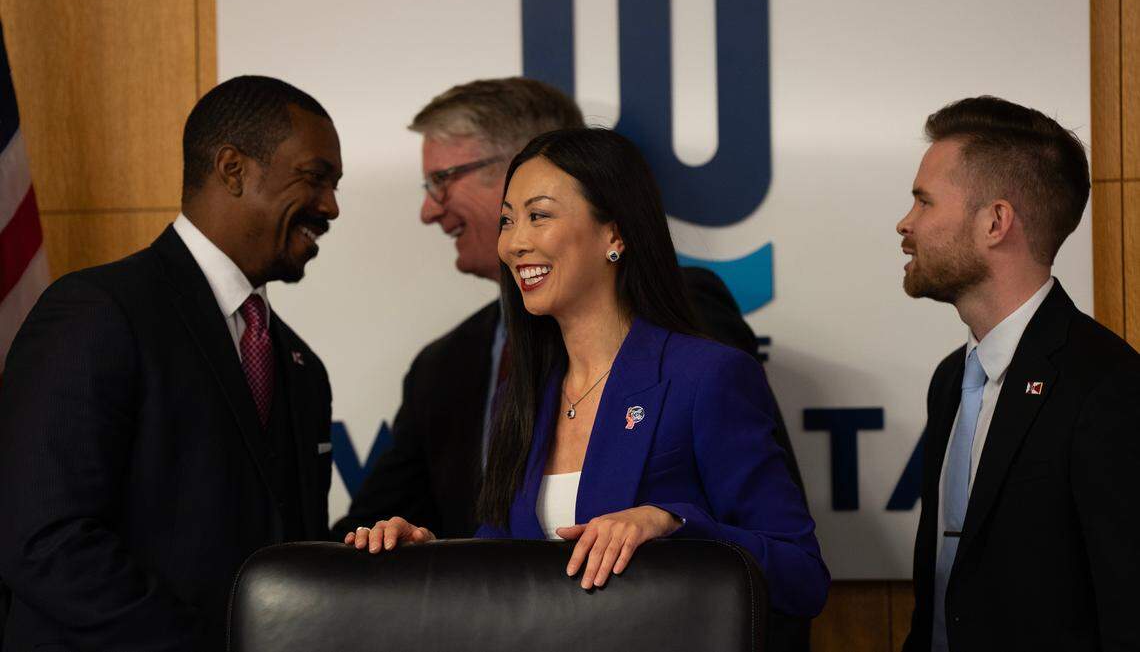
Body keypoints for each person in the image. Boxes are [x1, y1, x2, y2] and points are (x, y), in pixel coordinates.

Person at [347, 128, 830, 620]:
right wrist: (430, 554)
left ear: (614, 234)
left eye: (538, 216)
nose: (514, 243)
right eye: (507, 221)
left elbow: (801, 575)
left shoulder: (707, 376)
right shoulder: (522, 393)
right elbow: (509, 568)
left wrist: (672, 524)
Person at [0, 76, 342, 651]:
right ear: (233, 168)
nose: (331, 206)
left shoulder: (302, 367)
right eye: (315, 178)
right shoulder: (96, 313)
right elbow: (44, 540)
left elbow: (291, 556)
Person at [896, 96, 1140, 652]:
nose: (905, 223)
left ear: (995, 221)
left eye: (924, 201)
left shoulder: (1107, 387)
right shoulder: (949, 380)